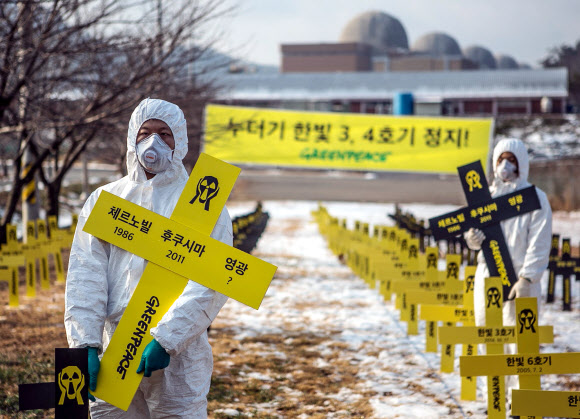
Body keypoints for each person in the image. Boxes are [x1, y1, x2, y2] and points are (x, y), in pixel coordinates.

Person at [64, 98, 232, 418]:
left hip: (178, 357)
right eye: (145, 132)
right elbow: (86, 274)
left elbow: (210, 282)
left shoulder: (203, 206)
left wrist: (168, 339)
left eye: (164, 134)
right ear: (132, 138)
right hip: (114, 349)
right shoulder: (106, 201)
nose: (153, 142)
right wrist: (84, 343)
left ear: (179, 141)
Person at [464, 138, 552, 329]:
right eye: (501, 159)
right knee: (488, 333)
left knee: (520, 340)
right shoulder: (486, 197)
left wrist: (527, 278)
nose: (505, 165)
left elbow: (540, 241)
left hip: (521, 278)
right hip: (489, 274)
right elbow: (474, 236)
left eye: (511, 159)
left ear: (521, 162)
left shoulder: (535, 198)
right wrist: (472, 239)